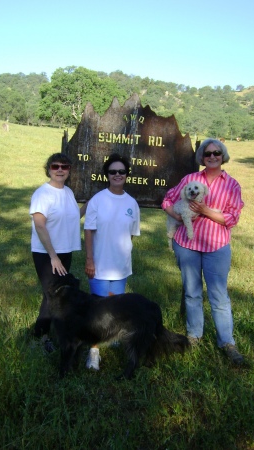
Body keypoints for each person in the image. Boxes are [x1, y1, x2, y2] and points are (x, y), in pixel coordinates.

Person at [162, 138, 244, 364]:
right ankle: (194, 336)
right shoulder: (190, 179)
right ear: (202, 157)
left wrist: (205, 210)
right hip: (187, 246)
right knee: (192, 292)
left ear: (222, 155)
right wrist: (177, 216)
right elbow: (168, 199)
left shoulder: (232, 185)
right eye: (208, 154)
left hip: (216, 246)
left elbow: (231, 218)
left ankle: (227, 342)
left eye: (217, 153)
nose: (212, 157)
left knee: (219, 296)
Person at [84, 153, 141, 370]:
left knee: (116, 307)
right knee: (97, 310)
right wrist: (90, 259)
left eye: (121, 171)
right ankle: (94, 351)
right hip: (98, 265)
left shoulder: (132, 203)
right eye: (113, 172)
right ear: (106, 175)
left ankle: (113, 338)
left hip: (121, 266)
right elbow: (88, 231)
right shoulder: (97, 200)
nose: (117, 175)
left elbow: (132, 234)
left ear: (127, 175)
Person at [30, 152, 87, 351]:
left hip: (65, 250)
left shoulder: (68, 193)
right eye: (55, 166)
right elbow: (40, 226)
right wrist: (53, 256)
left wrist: (89, 206)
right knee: (51, 294)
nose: (60, 170)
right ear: (49, 170)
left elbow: (72, 218)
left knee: (59, 294)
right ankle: (40, 337)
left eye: (64, 166)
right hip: (46, 253)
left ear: (69, 170)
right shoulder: (42, 194)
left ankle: (51, 331)